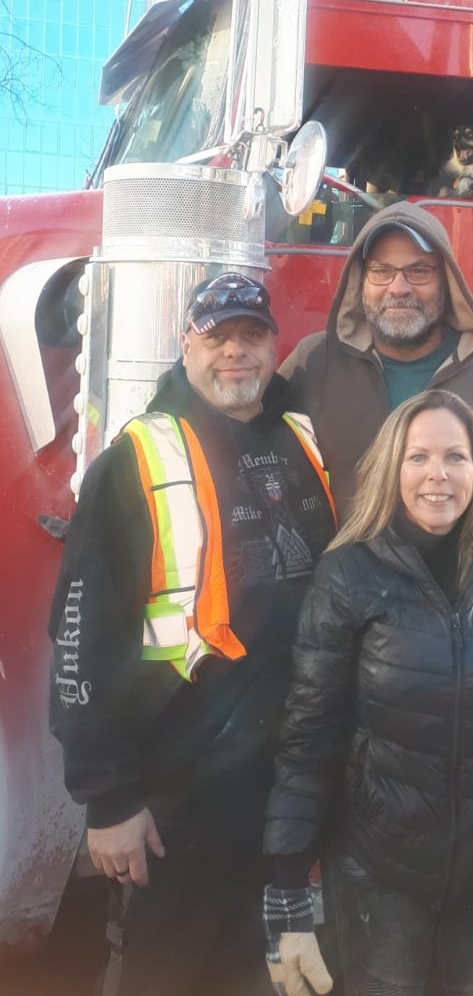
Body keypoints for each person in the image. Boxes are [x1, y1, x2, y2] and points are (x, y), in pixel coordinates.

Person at [279, 201, 473, 993]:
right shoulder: (313, 366)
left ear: (448, 282)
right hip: (359, 688)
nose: (400, 287)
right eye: (382, 271)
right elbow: (237, 428)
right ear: (359, 282)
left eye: (419, 270)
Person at [262, 390, 473, 996]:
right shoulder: (348, 577)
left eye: (456, 456)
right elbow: (308, 738)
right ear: (393, 468)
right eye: (418, 457)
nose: (437, 475)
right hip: (379, 873)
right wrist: (287, 891)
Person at [48, 272, 337, 996]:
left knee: (261, 970)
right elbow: (80, 632)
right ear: (187, 346)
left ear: (273, 346)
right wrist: (107, 801)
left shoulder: (302, 439)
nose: (235, 353)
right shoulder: (137, 458)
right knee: (167, 973)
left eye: (251, 335)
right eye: (217, 337)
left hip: (287, 784)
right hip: (181, 793)